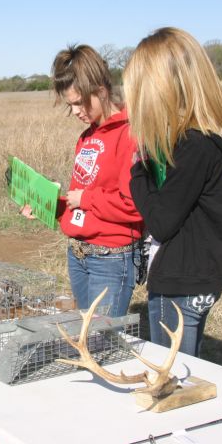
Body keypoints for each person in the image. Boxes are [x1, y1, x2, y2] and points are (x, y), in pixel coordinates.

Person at [124, 27, 222, 357]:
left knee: (171, 378)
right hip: (209, 273)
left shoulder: (193, 145)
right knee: (189, 365)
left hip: (180, 279)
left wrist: (137, 169)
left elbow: (161, 222)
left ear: (163, 90)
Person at [46, 44, 144, 317]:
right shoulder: (86, 137)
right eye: (70, 105)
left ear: (101, 90)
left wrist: (85, 199)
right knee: (85, 331)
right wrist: (49, 205)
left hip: (111, 257)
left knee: (101, 339)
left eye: (80, 102)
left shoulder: (131, 134)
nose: (76, 111)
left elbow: (134, 204)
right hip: (78, 252)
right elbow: (82, 201)